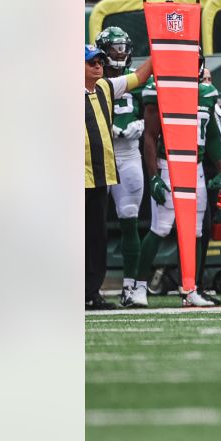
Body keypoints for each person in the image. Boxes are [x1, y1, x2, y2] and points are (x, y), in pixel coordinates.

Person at [129, 55, 221, 308]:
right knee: (160, 227)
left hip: (196, 167)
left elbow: (213, 134)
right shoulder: (158, 89)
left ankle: (190, 288)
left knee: (194, 230)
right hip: (168, 165)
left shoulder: (207, 92)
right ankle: (137, 288)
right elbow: (149, 137)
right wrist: (153, 177)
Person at [85, 43, 153, 310]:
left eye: (100, 61)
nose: (99, 66)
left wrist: (159, 46)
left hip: (100, 175)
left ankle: (91, 292)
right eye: (92, 62)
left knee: (97, 236)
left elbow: (141, 76)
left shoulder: (105, 86)